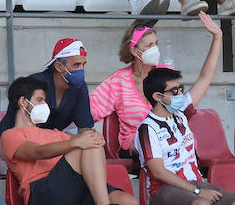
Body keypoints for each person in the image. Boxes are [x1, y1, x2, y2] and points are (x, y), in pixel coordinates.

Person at [93, 14, 223, 157]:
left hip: (172, 139)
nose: (155, 49)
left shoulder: (165, 73)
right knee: (157, 145)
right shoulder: (118, 81)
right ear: (134, 51)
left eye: (156, 43)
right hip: (138, 145)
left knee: (175, 146)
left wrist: (217, 37)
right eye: (149, 45)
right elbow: (90, 110)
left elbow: (204, 79)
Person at [0, 74, 132, 205]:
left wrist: (96, 137)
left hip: (73, 189)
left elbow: (86, 140)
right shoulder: (10, 135)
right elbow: (38, 151)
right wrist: (77, 142)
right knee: (86, 145)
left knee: (127, 201)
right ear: (23, 102)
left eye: (45, 100)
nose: (44, 104)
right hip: (41, 193)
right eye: (39, 100)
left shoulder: (56, 133)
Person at [136, 66, 235, 205]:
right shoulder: (147, 128)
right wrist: (197, 191)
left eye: (181, 88)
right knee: (202, 204)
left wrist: (217, 42)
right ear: (158, 96)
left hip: (195, 184)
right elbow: (158, 172)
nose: (180, 94)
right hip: (163, 190)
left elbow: (205, 77)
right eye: (174, 91)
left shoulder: (181, 115)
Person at [0, 40, 95, 153]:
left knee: (92, 145)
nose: (81, 70)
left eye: (83, 64)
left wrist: (92, 139)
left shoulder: (79, 88)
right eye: (76, 65)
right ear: (59, 66)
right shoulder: (36, 84)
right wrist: (67, 138)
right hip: (16, 143)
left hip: (49, 143)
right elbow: (28, 133)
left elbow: (85, 127)